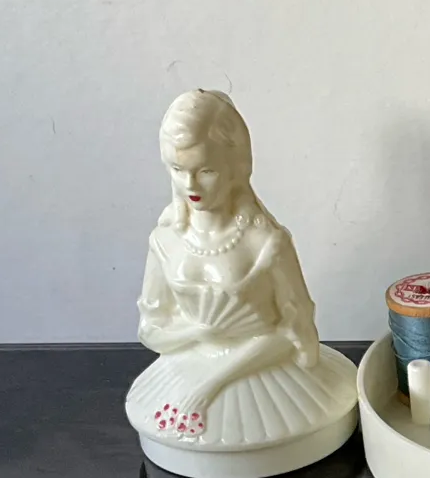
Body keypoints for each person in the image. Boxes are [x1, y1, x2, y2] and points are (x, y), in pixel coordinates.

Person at [125, 90, 354, 449]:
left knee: (284, 427)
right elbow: (151, 330)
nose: (190, 185)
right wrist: (201, 331)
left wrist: (212, 383)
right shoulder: (165, 240)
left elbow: (295, 333)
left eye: (206, 170)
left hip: (265, 369)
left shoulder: (266, 243)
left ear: (236, 166)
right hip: (187, 364)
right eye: (178, 170)